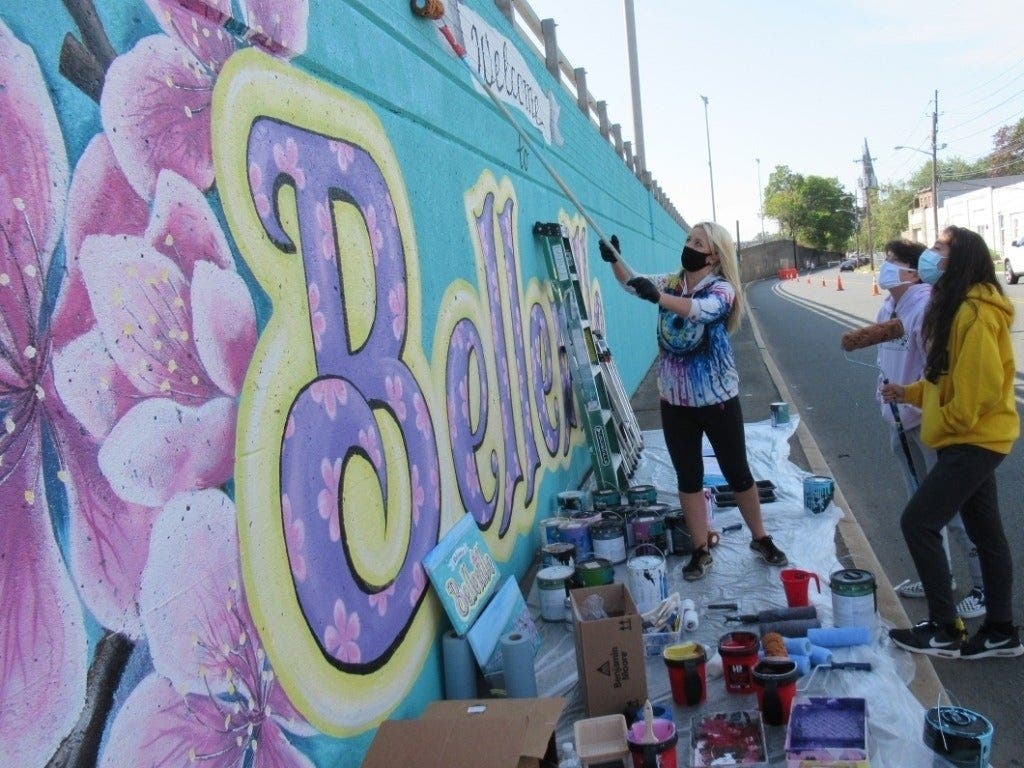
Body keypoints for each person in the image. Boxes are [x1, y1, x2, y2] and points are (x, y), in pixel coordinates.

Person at [599, 222, 787, 581]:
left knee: (737, 472)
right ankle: (700, 550)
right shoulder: (672, 282)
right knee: (689, 476)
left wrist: (659, 298)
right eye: (689, 240)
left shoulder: (722, 289)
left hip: (717, 398)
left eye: (698, 242)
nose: (690, 246)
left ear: (714, 254)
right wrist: (615, 261)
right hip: (675, 400)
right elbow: (633, 283)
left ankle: (760, 538)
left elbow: (700, 311)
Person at [881, 225, 1021, 659]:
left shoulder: (974, 315)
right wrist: (909, 393)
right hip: (969, 438)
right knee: (986, 533)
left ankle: (945, 628)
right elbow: (944, 377)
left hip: (971, 440)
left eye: (940, 248)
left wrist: (945, 420)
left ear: (959, 260)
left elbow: (976, 391)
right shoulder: (957, 307)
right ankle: (1001, 631)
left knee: (918, 522)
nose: (931, 254)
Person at [874, 239, 986, 618]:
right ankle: (939, 576)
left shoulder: (925, 307)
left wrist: (915, 399)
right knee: (922, 507)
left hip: (925, 421)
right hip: (898, 418)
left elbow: (937, 369)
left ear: (909, 270)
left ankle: (983, 586)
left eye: (891, 261)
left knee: (950, 509)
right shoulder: (888, 305)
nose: (884, 266)